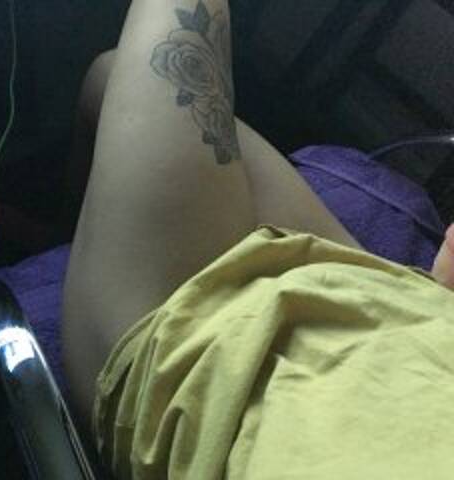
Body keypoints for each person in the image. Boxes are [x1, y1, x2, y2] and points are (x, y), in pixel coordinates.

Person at [60, 1, 454, 478]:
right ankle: (81, 233)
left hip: (197, 355)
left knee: (124, 63)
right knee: (116, 74)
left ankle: (67, 237)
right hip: (396, 319)